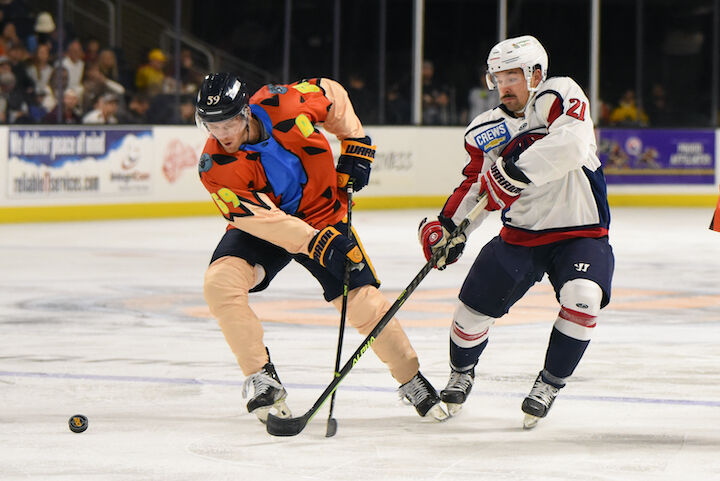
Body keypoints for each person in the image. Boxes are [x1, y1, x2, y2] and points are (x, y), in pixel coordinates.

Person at [195, 73, 448, 424]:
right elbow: (258, 220)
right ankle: (260, 377)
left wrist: (355, 141)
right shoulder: (214, 167)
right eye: (211, 125)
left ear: (246, 112)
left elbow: (331, 92)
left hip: (324, 214)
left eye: (228, 122)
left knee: (362, 303)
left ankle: (411, 378)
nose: (222, 134)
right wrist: (316, 243)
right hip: (269, 224)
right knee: (220, 283)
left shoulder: (283, 101)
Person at [418, 35, 614, 429]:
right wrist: (449, 227)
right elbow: (476, 186)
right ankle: (462, 372)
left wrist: (515, 171)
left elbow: (573, 144)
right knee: (470, 314)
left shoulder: (560, 95)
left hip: (581, 232)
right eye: (496, 78)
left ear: (535, 74)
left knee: (584, 297)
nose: (502, 86)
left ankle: (550, 383)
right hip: (521, 235)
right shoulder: (484, 129)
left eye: (511, 76)